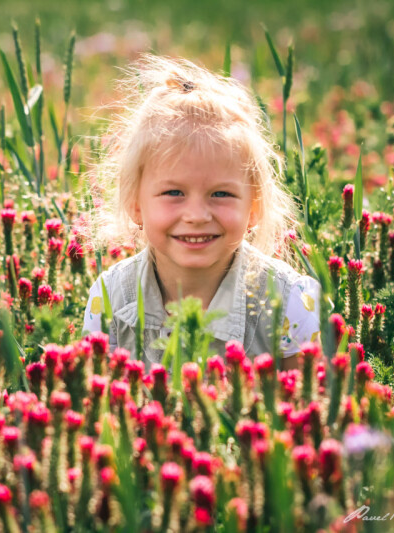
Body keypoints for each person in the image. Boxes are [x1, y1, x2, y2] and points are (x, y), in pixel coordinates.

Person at [81, 54, 320, 370]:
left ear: (254, 207)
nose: (196, 215)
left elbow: (308, 405)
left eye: (221, 193)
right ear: (136, 204)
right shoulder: (111, 297)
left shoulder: (287, 300)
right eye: (173, 193)